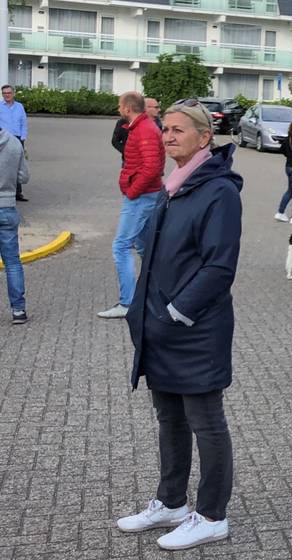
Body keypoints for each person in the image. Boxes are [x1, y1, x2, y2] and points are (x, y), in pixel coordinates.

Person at [118, 100, 241, 550]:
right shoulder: (176, 184)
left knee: (205, 421)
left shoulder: (218, 190)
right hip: (159, 326)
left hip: (195, 329)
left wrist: (176, 312)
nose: (168, 137)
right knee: (168, 418)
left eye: (178, 130)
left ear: (204, 137)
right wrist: (144, 312)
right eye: (165, 129)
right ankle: (170, 501)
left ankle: (211, 515)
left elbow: (218, 266)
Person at [98, 92, 165, 320]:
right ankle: (158, 294)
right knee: (145, 246)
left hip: (141, 196)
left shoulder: (144, 129)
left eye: (120, 106)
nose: (118, 109)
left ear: (127, 108)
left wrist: (133, 191)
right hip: (145, 195)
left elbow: (152, 167)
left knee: (121, 246)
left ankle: (128, 303)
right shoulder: (142, 127)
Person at [0, 98, 29, 326]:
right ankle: (18, 311)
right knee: (12, 262)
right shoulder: (12, 143)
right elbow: (24, 177)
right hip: (7, 206)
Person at [0, 85, 28, 201]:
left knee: (18, 165)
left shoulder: (19, 107)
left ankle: (18, 193)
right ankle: (3, 192)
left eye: (8, 93)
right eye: (4, 93)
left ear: (13, 93)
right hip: (3, 139)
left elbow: (23, 123)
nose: (6, 95)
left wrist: (23, 137)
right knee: (2, 165)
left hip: (17, 139)